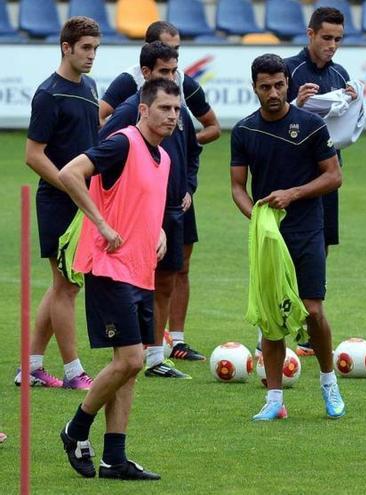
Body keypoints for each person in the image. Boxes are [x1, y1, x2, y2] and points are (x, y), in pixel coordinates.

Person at [58, 78, 181, 480]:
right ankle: (75, 428)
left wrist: (159, 231)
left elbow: (144, 203)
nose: (172, 116)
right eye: (164, 109)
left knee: (131, 366)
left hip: (141, 270)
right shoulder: (122, 143)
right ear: (143, 110)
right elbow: (70, 173)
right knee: (129, 359)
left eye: (177, 110)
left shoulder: (164, 158)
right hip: (110, 268)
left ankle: (115, 458)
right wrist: (101, 223)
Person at [231, 54, 345, 420]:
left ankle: (329, 383)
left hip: (307, 228)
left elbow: (333, 176)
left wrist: (292, 194)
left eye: (279, 85)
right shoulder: (244, 131)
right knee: (271, 318)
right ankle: (275, 399)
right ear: (255, 88)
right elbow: (237, 186)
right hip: (269, 237)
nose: (274, 92)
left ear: (287, 84)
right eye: (266, 87)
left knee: (312, 311)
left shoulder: (311, 125)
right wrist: (257, 218)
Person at [100, 20, 220, 361]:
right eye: (168, 60)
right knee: (141, 271)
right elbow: (103, 129)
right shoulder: (130, 95)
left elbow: (203, 137)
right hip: (143, 202)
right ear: (147, 65)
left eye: (177, 59)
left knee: (175, 269)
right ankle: (138, 346)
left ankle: (168, 343)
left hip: (177, 199)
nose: (174, 71)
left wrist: (186, 179)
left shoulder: (179, 92)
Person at [19, 16, 101, 390]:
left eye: (95, 49)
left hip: (82, 199)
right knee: (67, 285)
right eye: (85, 48)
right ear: (66, 47)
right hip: (57, 200)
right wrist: (70, 187)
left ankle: (31, 366)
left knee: (63, 286)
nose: (91, 56)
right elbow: (34, 155)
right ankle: (73, 372)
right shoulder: (48, 93)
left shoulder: (91, 87)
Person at [283, 7, 355, 357]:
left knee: (320, 247)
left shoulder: (340, 74)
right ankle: (283, 323)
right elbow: (270, 118)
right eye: (326, 37)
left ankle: (309, 328)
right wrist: (294, 102)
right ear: (310, 34)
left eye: (338, 39)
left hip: (328, 175)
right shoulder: (289, 69)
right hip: (294, 177)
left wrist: (352, 101)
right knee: (287, 253)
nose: (332, 45)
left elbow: (344, 127)